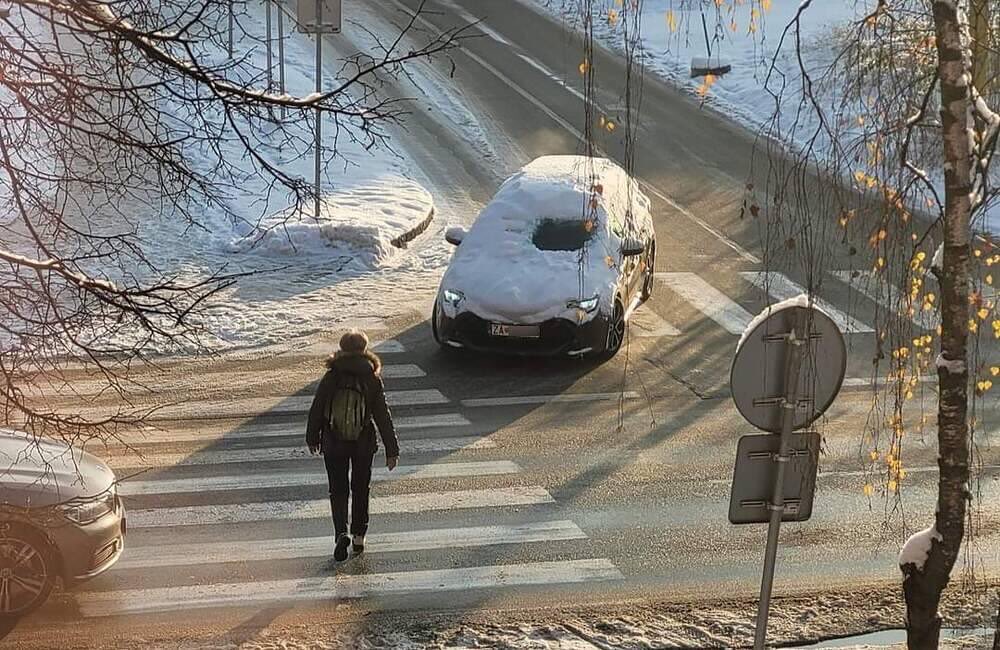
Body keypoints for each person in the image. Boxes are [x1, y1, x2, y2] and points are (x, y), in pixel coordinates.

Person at [307, 329, 400, 561]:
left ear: (342, 349)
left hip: (333, 441)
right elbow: (382, 415)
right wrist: (392, 449)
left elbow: (317, 407)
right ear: (364, 350)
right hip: (363, 443)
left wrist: (313, 437)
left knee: (338, 490)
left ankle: (341, 532)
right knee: (361, 489)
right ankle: (359, 535)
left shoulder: (332, 376)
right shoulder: (371, 377)